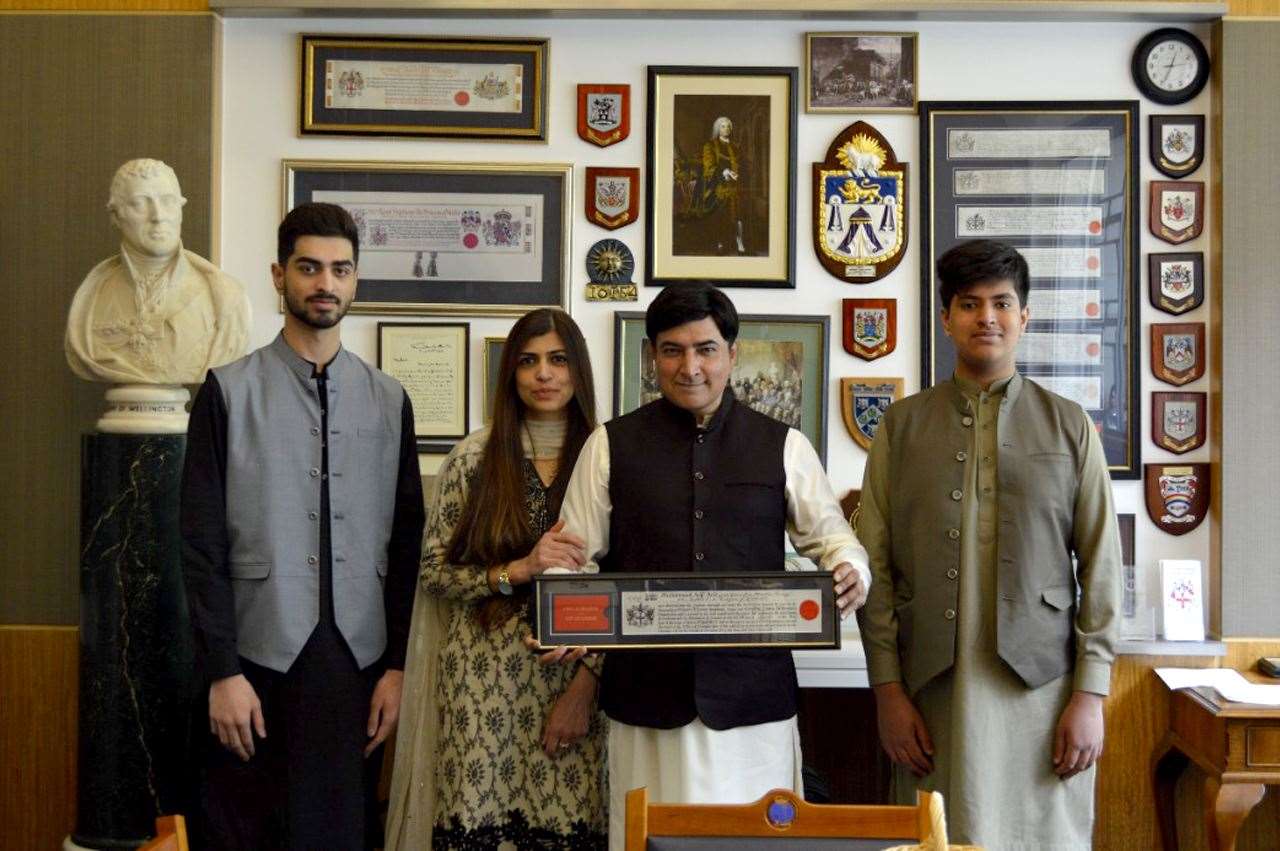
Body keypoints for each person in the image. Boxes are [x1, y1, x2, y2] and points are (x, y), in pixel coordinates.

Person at [554, 283, 869, 850]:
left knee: (757, 842)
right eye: (672, 350)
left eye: (705, 349)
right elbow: (568, 559)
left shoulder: (785, 445)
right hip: (646, 702)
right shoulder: (608, 445)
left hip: (755, 704)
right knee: (651, 839)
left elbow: (836, 541)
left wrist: (850, 569)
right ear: (652, 357)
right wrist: (570, 617)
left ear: (732, 352)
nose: (689, 366)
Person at [855, 239, 1121, 850]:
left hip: (1044, 694)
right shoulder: (902, 425)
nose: (988, 318)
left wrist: (1090, 694)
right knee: (938, 835)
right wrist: (888, 692)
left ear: (1024, 317)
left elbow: (1102, 564)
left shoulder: (1069, 424)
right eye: (970, 304)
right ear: (946, 318)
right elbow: (874, 566)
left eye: (1002, 303)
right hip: (932, 694)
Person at [180, 202, 424, 850]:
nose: (326, 283)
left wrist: (398, 667)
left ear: (356, 279)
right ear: (278, 275)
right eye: (309, 267)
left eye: (340, 269)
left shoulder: (390, 399)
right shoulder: (227, 390)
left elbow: (408, 545)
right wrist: (221, 671)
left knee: (342, 830)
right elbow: (199, 544)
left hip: (355, 662)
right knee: (243, 830)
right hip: (255, 661)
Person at [385, 308, 608, 850]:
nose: (544, 375)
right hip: (478, 690)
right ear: (510, 373)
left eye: (558, 360)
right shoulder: (473, 458)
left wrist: (587, 686)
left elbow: (628, 585)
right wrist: (518, 571)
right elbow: (433, 573)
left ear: (578, 369)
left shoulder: (610, 457)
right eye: (528, 362)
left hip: (569, 680)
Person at [66, 158, 250, 385]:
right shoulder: (91, 297)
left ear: (180, 210)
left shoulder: (225, 297)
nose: (158, 216)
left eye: (168, 201)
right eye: (140, 203)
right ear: (116, 216)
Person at [698, 116, 745, 254]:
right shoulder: (710, 146)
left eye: (728, 126)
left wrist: (738, 172)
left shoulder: (735, 147)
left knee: (738, 216)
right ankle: (720, 242)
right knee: (721, 215)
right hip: (718, 186)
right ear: (718, 128)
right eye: (723, 126)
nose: (726, 129)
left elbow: (742, 164)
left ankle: (739, 240)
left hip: (735, 186)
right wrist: (724, 171)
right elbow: (709, 165)